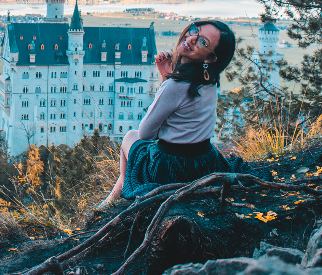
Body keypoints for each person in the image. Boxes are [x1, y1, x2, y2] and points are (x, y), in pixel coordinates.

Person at [97, 20, 246, 209]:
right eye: (195, 31)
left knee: (131, 136)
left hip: (171, 168)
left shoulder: (175, 86)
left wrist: (166, 80)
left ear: (210, 58)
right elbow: (183, 119)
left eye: (203, 42)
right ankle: (115, 193)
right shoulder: (210, 82)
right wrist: (168, 77)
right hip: (205, 162)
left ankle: (119, 191)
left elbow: (146, 134)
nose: (191, 38)